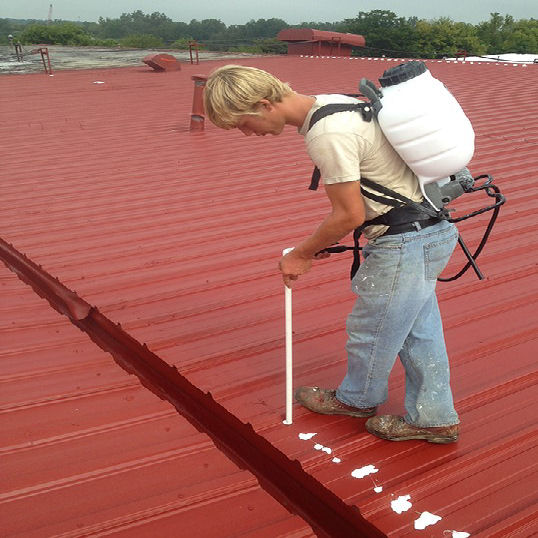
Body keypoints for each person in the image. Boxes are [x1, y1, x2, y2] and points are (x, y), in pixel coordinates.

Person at [203, 65, 460, 444]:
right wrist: (319, 243)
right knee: (416, 333)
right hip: (429, 231)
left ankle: (357, 400)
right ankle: (435, 418)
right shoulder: (335, 103)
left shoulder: (327, 133)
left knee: (370, 332)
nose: (246, 133)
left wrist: (302, 254)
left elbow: (349, 214)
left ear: (263, 104)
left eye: (242, 124)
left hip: (404, 242)